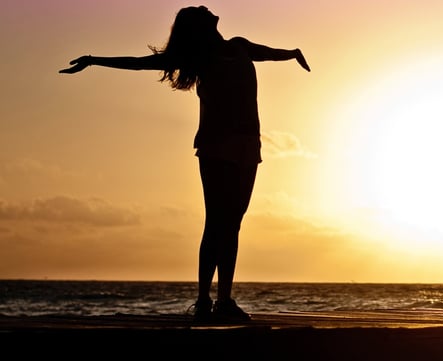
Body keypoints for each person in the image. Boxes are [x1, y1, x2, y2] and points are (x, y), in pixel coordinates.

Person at [59, 6, 311, 323]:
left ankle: (224, 300)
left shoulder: (239, 46)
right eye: (200, 11)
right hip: (215, 145)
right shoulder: (198, 57)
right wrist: (94, 60)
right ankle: (205, 300)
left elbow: (270, 53)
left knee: (233, 224)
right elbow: (140, 64)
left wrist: (293, 53)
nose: (208, 8)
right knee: (217, 221)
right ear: (199, 26)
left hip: (249, 145)